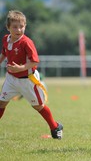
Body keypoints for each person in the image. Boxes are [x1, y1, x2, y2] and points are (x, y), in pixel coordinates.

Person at [0, 10, 63, 139]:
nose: (18, 30)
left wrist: (20, 68)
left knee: (38, 106)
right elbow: (4, 53)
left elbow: (34, 61)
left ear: (25, 26)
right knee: (1, 103)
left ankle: (55, 127)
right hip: (11, 79)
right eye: (15, 27)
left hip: (28, 80)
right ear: (8, 27)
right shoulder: (6, 39)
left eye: (21, 26)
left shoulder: (26, 42)